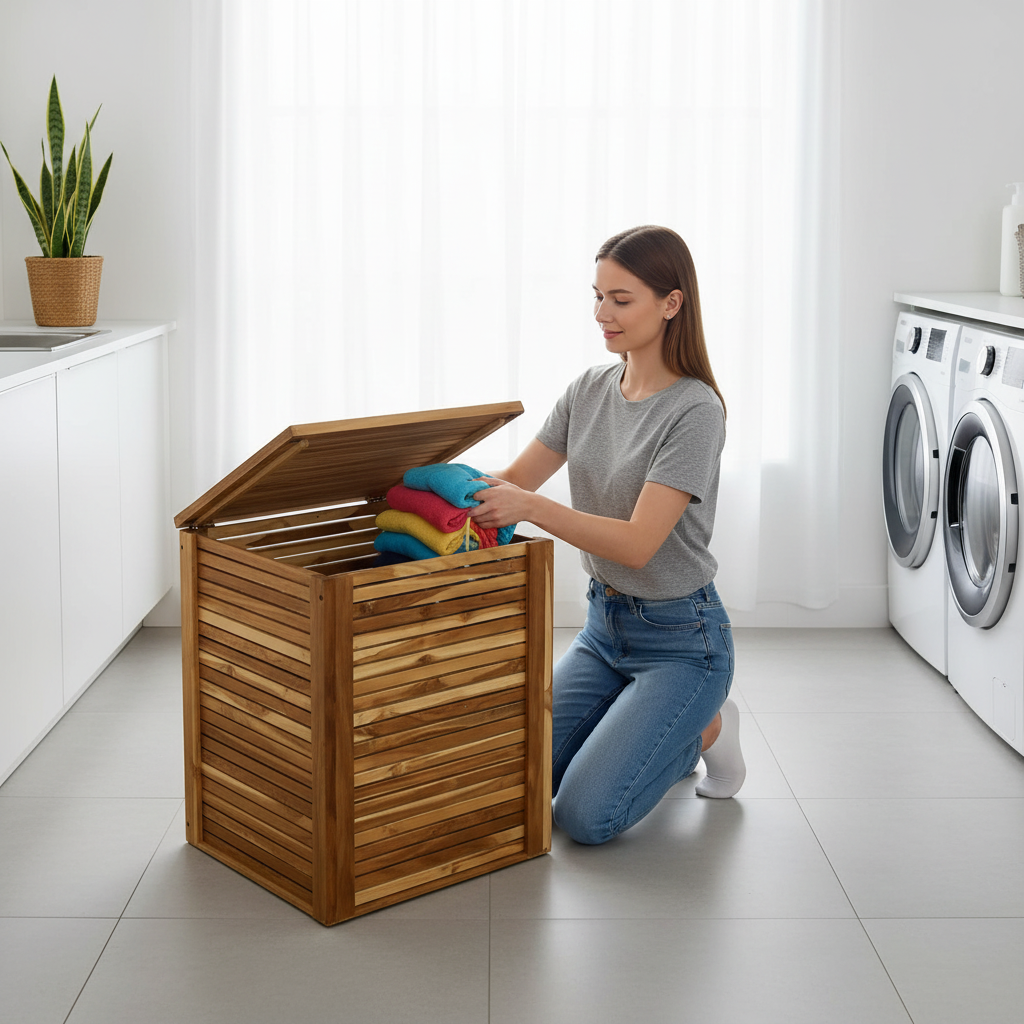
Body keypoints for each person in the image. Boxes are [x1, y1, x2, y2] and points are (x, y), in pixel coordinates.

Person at [469, 224, 744, 845]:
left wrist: (531, 508)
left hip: (682, 640)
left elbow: (637, 543)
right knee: (521, 781)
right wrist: (440, 482)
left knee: (584, 818)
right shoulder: (589, 389)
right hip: (603, 631)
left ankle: (705, 727)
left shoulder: (695, 411)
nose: (602, 314)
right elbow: (515, 480)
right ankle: (649, 723)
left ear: (671, 303)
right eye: (597, 297)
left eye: (621, 300)